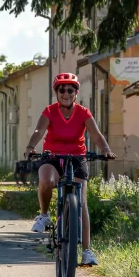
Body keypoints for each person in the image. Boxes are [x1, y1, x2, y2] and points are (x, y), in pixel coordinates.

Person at [23, 72, 116, 266]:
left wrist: (106, 150)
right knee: (46, 181)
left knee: (81, 202)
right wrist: (31, 147)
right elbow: (39, 131)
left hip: (77, 158)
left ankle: (87, 251)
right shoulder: (50, 111)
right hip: (52, 157)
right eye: (62, 90)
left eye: (70, 90)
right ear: (57, 92)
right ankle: (44, 215)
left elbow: (96, 135)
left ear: (76, 93)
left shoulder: (83, 112)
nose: (66, 93)